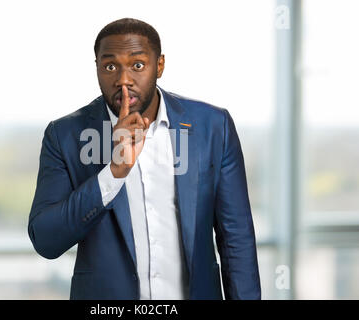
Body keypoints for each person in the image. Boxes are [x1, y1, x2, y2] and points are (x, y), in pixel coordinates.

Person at [28, 18, 261, 300]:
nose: (123, 79)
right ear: (97, 68)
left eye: (137, 65)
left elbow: (236, 239)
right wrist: (114, 172)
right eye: (110, 66)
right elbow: (46, 240)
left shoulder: (213, 126)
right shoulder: (64, 136)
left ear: (159, 66)